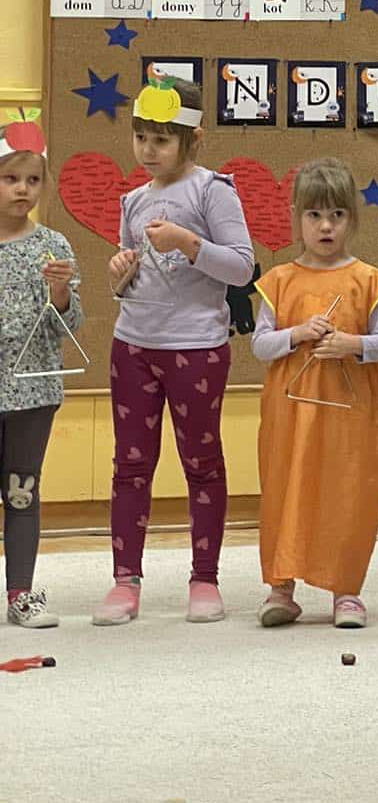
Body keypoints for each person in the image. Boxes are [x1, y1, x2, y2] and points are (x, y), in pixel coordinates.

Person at [95, 77, 255, 626]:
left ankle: (205, 577)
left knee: (202, 464)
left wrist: (189, 242)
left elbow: (242, 267)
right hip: (133, 346)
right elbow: (130, 277)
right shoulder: (133, 200)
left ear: (194, 138)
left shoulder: (213, 190)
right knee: (129, 466)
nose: (148, 150)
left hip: (197, 348)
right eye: (141, 137)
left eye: (161, 139)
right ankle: (125, 580)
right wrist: (119, 274)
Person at [251, 160, 378, 630]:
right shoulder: (279, 280)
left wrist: (351, 345)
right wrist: (296, 334)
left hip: (349, 417)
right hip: (290, 415)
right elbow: (260, 345)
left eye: (337, 214)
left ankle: (345, 590)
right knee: (286, 491)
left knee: (347, 494)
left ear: (352, 217)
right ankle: (281, 587)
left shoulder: (368, 279)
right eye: (314, 215)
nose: (326, 226)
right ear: (297, 217)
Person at [0, 121, 81, 630]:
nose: (22, 190)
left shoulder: (52, 245)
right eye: (11, 179)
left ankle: (21, 594)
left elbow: (69, 325)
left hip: (33, 393)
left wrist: (61, 293)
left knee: (22, 492)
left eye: (32, 180)